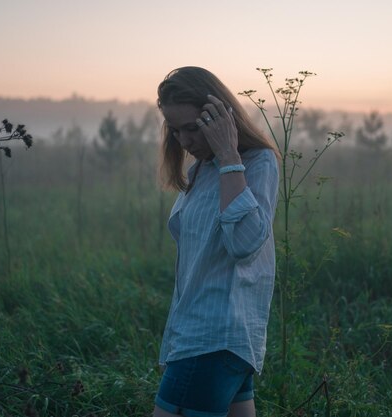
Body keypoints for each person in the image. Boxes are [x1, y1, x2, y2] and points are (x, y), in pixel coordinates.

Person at [154, 66, 279, 417]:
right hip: (205, 333)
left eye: (192, 128)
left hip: (213, 338)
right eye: (175, 130)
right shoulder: (199, 171)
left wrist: (228, 156)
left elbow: (244, 243)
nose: (185, 140)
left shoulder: (257, 163)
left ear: (221, 118)